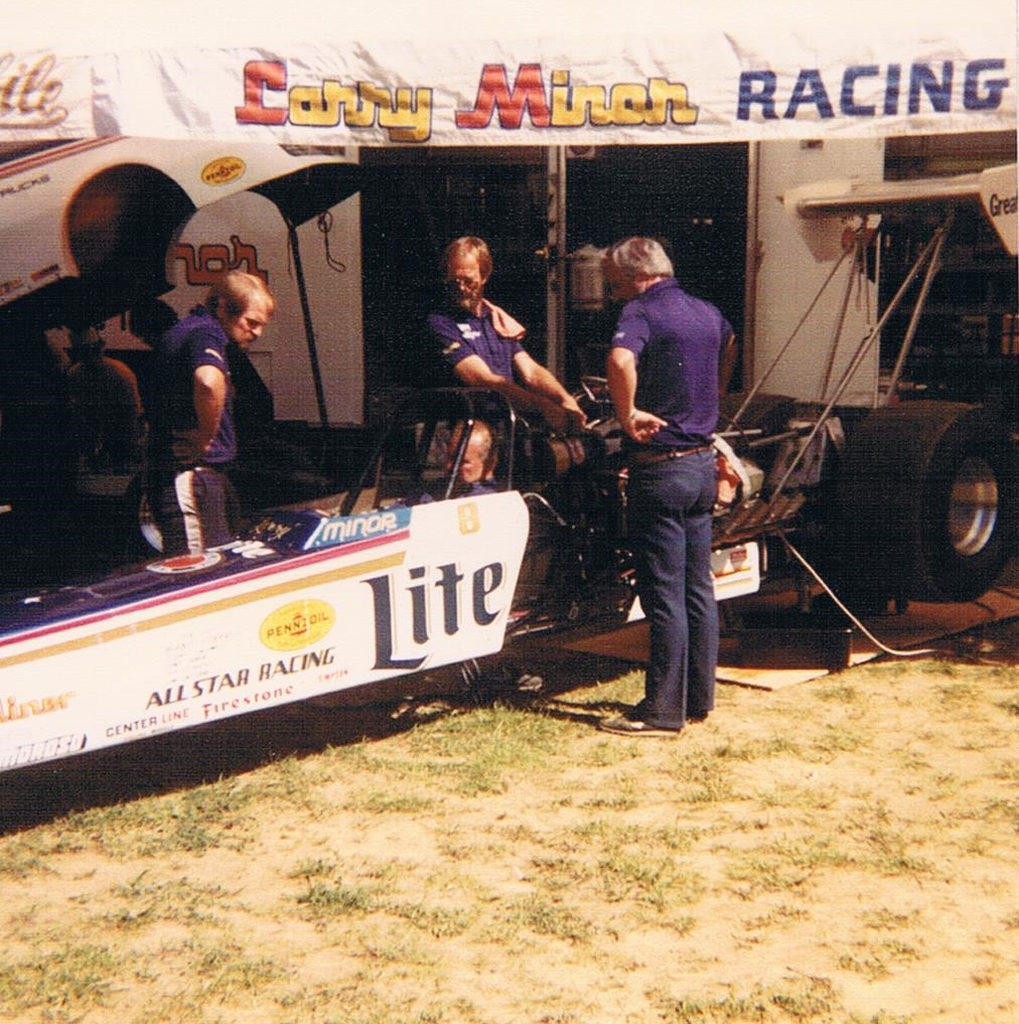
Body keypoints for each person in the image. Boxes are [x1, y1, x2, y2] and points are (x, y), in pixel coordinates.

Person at [599, 237, 733, 736]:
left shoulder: (641, 311)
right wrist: (712, 395)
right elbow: (730, 343)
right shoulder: (706, 311)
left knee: (664, 595)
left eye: (614, 285)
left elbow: (619, 361)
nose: (613, 294)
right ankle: (698, 698)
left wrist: (627, 413)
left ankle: (660, 712)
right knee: (698, 588)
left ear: (636, 276)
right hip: (701, 465)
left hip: (660, 469)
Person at [148, 271, 275, 555]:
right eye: (251, 322)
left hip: (196, 477)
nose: (257, 333)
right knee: (199, 572)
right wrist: (206, 437)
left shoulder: (195, 329)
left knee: (219, 567)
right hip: (189, 477)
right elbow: (207, 381)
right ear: (222, 308)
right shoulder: (205, 332)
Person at [426, 236, 586, 435]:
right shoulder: (441, 322)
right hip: (463, 425)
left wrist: (564, 399)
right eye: (453, 282)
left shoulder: (496, 319)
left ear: (484, 275)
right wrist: (542, 406)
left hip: (504, 422)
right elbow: (483, 380)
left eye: (468, 281)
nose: (461, 288)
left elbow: (531, 371)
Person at [65, 326, 145, 474]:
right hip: (92, 430)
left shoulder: (120, 373)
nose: (90, 357)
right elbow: (78, 412)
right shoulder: (75, 375)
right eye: (85, 352)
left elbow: (130, 416)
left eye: (93, 351)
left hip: (122, 431)